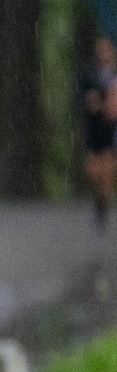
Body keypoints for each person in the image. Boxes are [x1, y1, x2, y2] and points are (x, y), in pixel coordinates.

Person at [82, 37, 117, 230]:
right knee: (93, 170)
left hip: (110, 128)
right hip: (94, 128)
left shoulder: (113, 76)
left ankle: (102, 208)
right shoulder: (90, 75)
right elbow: (87, 101)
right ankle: (100, 199)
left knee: (108, 170)